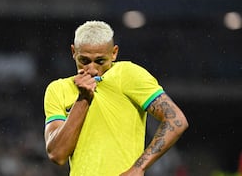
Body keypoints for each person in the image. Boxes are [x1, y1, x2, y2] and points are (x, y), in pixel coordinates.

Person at [43, 20, 189, 176]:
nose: (92, 70)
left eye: (100, 61)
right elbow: (57, 155)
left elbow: (176, 120)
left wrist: (139, 168)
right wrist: (83, 99)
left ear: (114, 53)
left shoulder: (129, 75)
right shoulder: (58, 89)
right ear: (73, 52)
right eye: (84, 60)